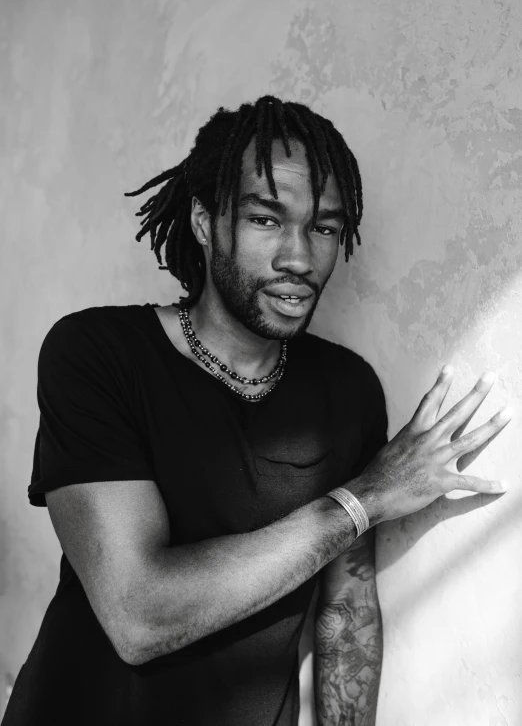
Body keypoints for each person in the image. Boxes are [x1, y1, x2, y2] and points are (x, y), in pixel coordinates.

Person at [3, 95, 511, 726]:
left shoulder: (346, 391)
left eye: (323, 227)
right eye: (267, 220)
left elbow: (345, 613)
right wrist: (368, 497)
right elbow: (139, 614)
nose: (299, 257)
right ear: (202, 220)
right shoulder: (98, 355)